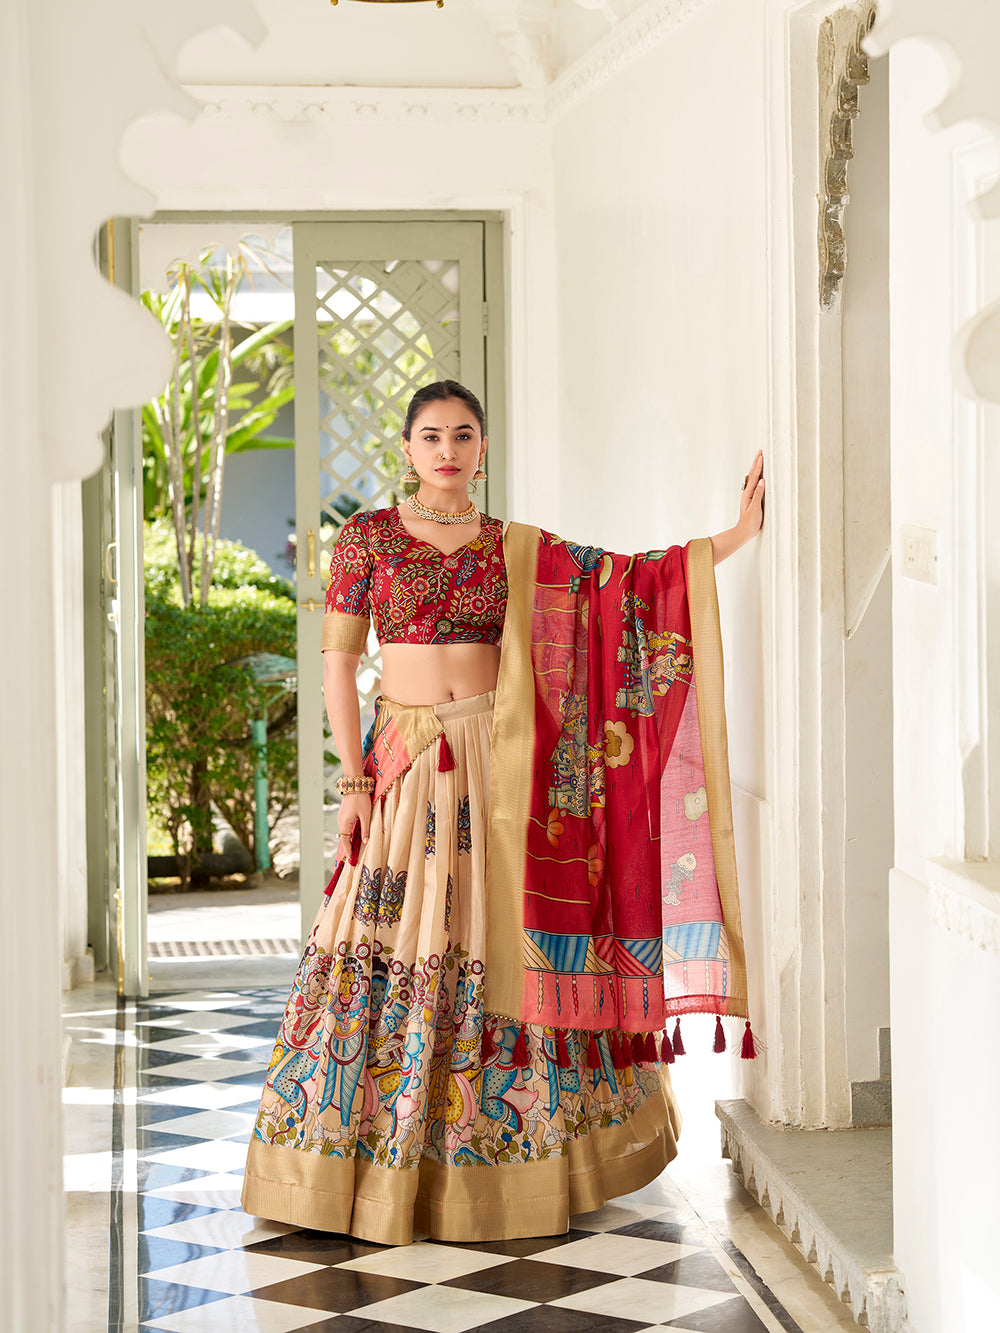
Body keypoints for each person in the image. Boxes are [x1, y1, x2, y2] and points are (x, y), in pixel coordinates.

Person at [241, 380, 765, 1246]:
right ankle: (360, 1161)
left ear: (483, 447)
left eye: (464, 434)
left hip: (500, 765)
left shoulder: (511, 548)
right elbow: (338, 667)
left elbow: (619, 587)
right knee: (386, 942)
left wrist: (734, 537)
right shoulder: (367, 538)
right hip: (407, 766)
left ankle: (528, 1163)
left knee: (502, 939)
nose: (447, 450)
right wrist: (355, 784)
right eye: (431, 435)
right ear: (406, 449)